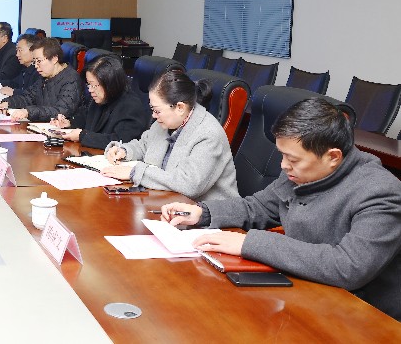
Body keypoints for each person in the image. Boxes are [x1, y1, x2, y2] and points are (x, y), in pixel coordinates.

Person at [161, 98, 401, 320]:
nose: (284, 166)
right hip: (306, 292)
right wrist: (203, 213)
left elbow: (349, 266)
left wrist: (249, 243)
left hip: (362, 315)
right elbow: (257, 207)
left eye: (293, 159)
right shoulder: (303, 171)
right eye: (283, 155)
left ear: (333, 157)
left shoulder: (380, 192)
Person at [101, 70, 238, 202]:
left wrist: (134, 172)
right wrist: (124, 151)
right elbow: (144, 146)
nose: (154, 115)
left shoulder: (208, 134)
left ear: (180, 108)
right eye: (152, 109)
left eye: (157, 110)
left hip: (205, 211)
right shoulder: (164, 122)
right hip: (166, 200)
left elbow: (189, 184)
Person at [50, 54, 149, 149]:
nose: (90, 90)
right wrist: (69, 123)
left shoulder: (130, 106)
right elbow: (86, 118)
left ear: (110, 83)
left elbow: (120, 141)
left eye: (94, 85)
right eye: (88, 84)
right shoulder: (101, 98)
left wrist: (82, 136)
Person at [0, 37, 82, 122]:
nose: (36, 66)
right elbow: (29, 97)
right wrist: (8, 103)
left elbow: (62, 110)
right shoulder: (45, 76)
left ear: (54, 59)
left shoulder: (71, 79)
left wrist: (28, 112)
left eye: (39, 61)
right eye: (34, 62)